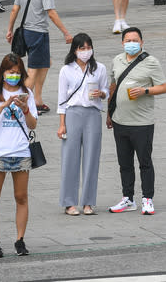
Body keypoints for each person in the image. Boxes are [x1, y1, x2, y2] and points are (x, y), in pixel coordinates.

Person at [0, 53, 38, 258]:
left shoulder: (26, 92)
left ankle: (20, 239)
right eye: (10, 72)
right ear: (2, 73)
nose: (14, 76)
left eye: (17, 72)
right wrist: (3, 106)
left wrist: (26, 108)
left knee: (21, 197)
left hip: (20, 152)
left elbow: (32, 125)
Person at [106, 27, 166, 215]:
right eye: (127, 40)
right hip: (120, 120)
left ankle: (147, 199)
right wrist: (109, 113)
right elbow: (113, 87)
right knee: (124, 162)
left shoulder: (151, 62)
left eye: (135, 40)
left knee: (144, 161)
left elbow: (163, 87)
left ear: (141, 42)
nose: (131, 43)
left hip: (142, 122)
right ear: (122, 42)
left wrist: (145, 91)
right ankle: (128, 198)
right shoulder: (117, 60)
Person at [6, 0, 73, 114]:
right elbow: (51, 13)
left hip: (25, 32)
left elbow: (15, 9)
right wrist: (66, 33)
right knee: (33, 69)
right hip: (38, 33)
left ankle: (37, 100)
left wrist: (9, 29)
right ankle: (21, 104)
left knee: (45, 63)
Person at [57, 33, 109, 216]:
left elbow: (105, 90)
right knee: (70, 158)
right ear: (75, 50)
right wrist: (62, 124)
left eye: (88, 47)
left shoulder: (99, 68)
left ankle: (88, 202)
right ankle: (69, 202)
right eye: (82, 48)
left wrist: (101, 94)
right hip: (73, 113)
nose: (86, 51)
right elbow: (62, 100)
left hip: (93, 113)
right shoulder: (66, 70)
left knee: (91, 158)